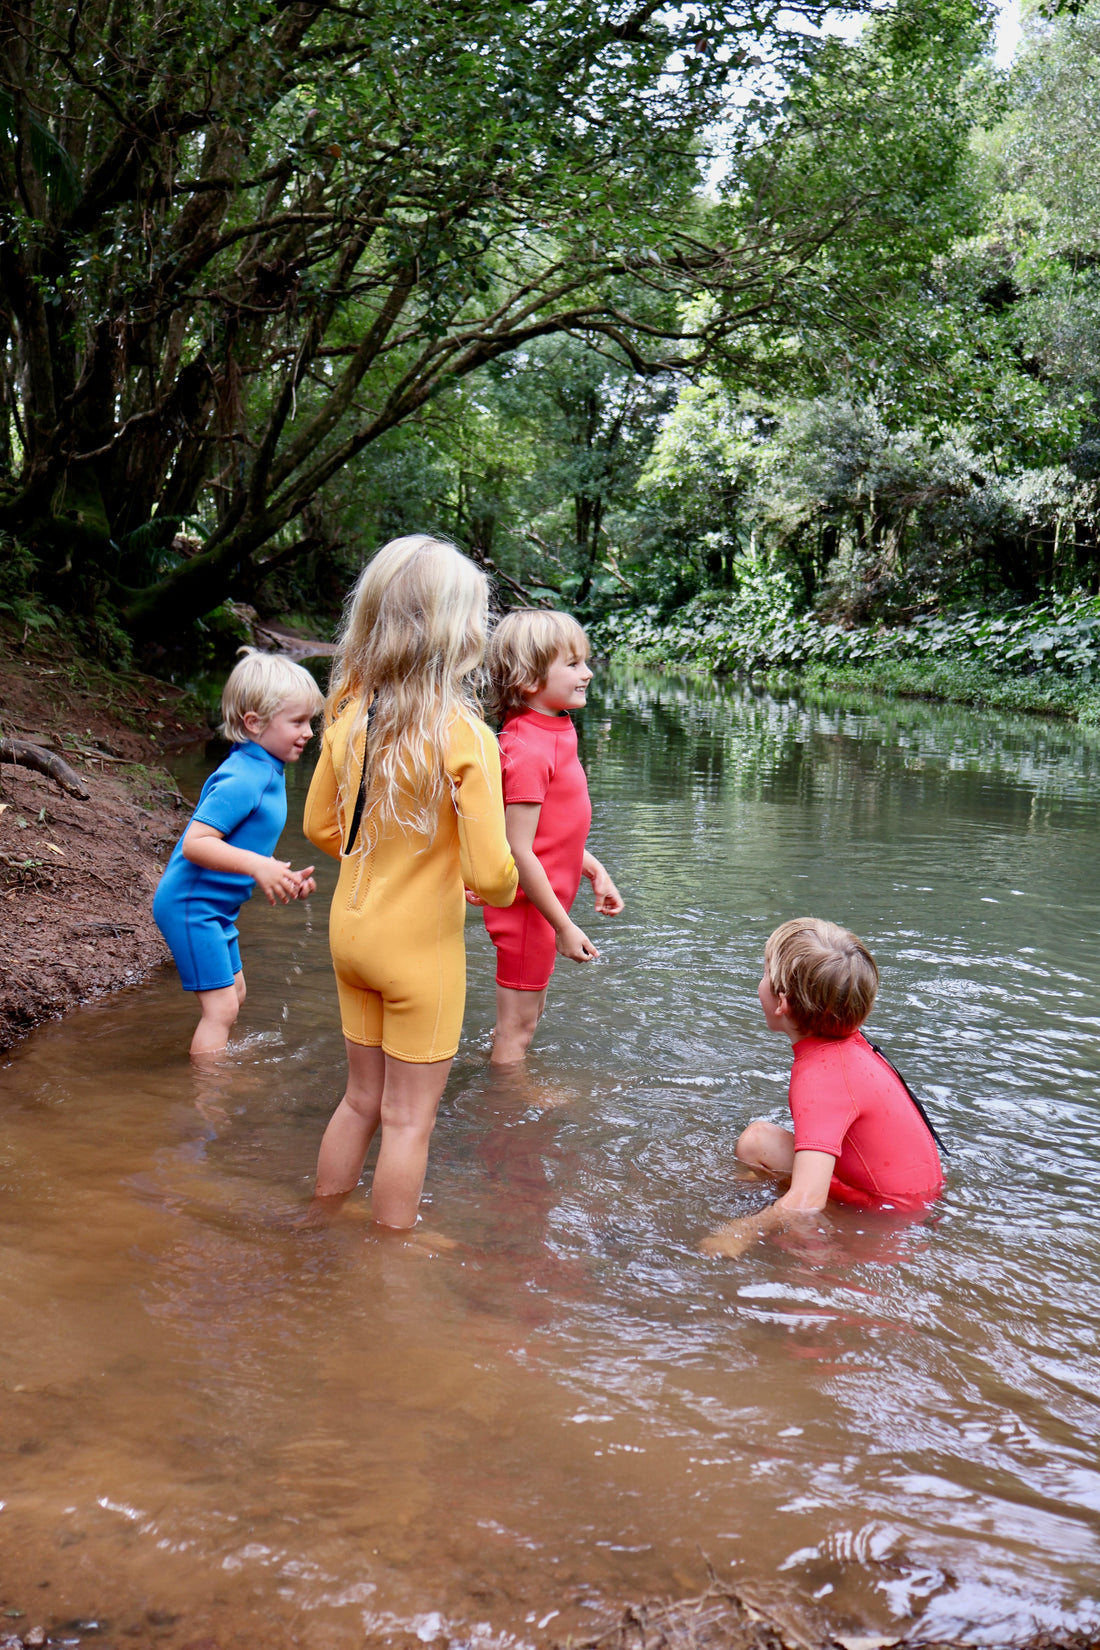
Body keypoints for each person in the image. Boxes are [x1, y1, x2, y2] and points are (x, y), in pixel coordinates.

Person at [302, 535, 519, 1229]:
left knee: (359, 1101)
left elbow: (320, 831)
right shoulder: (464, 734)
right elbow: (494, 877)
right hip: (418, 953)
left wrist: (386, 856)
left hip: (351, 933)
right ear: (459, 630)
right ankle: (389, 1262)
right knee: (407, 1122)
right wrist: (476, 874)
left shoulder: (348, 713)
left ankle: (318, 1222)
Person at [701, 918, 945, 1258]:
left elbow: (808, 1200)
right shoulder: (850, 1047)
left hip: (890, 1214)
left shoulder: (822, 1077)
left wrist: (740, 1230)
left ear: (782, 1002)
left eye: (764, 973)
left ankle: (828, 1244)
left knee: (757, 1144)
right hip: (922, 1197)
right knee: (759, 1140)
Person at [153, 648, 322, 1060]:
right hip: (192, 906)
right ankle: (210, 1097)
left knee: (237, 993)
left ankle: (215, 1066)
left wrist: (279, 873)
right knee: (222, 1007)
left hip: (216, 908)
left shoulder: (266, 769)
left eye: (311, 721)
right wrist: (257, 865)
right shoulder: (243, 776)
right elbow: (195, 843)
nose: (309, 733)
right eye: (297, 722)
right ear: (254, 723)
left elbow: (247, 843)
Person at [480, 609, 623, 1065]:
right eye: (573, 663)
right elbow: (518, 846)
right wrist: (562, 925)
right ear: (528, 679)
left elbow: (554, 831)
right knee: (517, 1028)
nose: (586, 673)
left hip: (546, 906)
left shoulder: (556, 728)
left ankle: (501, 1084)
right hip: (528, 911)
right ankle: (508, 1108)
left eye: (585, 661)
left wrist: (594, 870)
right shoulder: (525, 747)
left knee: (526, 1016)